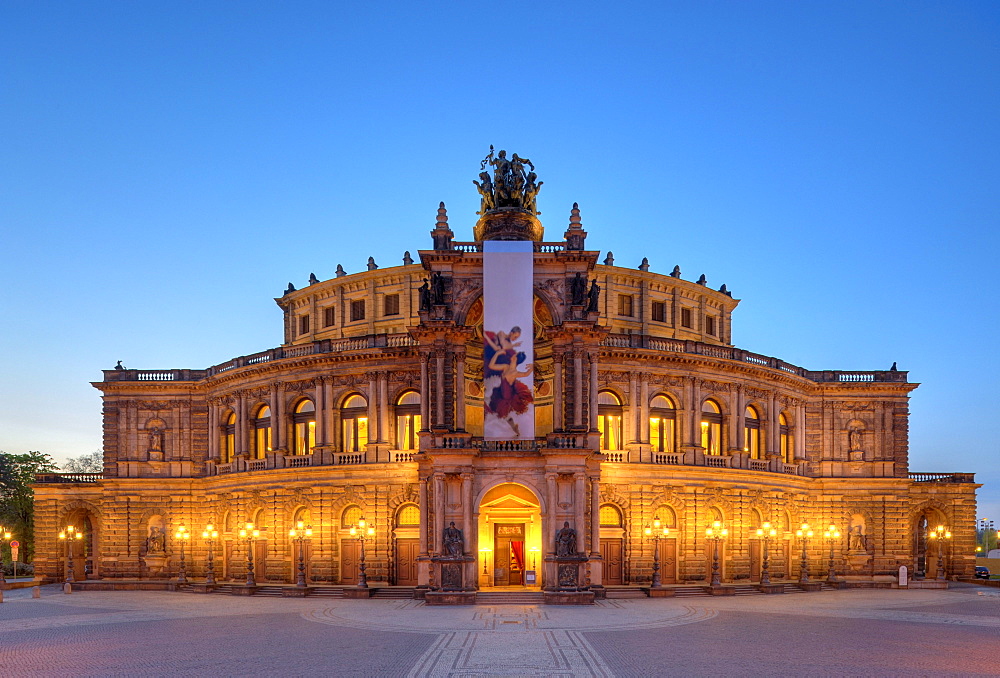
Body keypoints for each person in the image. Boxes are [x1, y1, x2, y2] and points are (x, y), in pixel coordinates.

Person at [486, 350, 533, 437]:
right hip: (500, 392)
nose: (512, 355)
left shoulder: (515, 373)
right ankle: (515, 428)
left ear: (514, 358)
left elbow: (526, 374)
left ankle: (515, 428)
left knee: (502, 414)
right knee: (502, 415)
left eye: (514, 355)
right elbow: (491, 365)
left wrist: (533, 366)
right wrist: (497, 353)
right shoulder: (506, 367)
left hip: (506, 396)